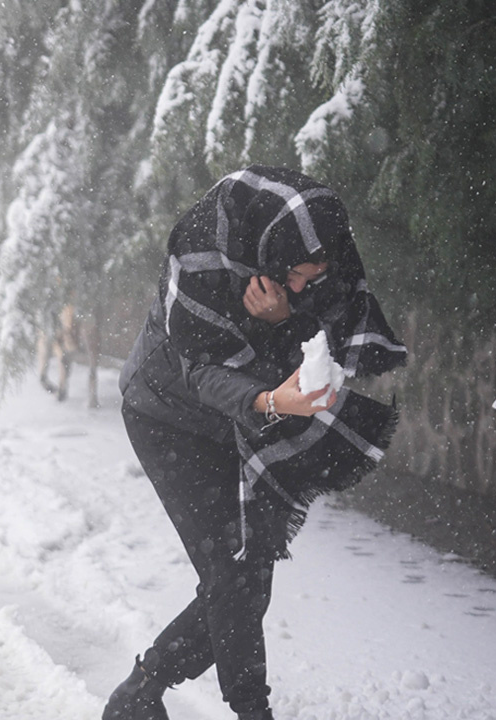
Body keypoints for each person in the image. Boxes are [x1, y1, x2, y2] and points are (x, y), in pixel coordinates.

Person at [106, 166, 408, 719]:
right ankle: (250, 711)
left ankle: (141, 691)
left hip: (241, 423)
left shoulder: (305, 265)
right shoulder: (198, 258)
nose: (305, 284)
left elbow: (323, 337)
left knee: (248, 579)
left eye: (313, 275)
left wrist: (287, 316)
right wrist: (270, 401)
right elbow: (200, 371)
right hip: (166, 415)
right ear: (270, 249)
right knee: (231, 574)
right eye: (297, 274)